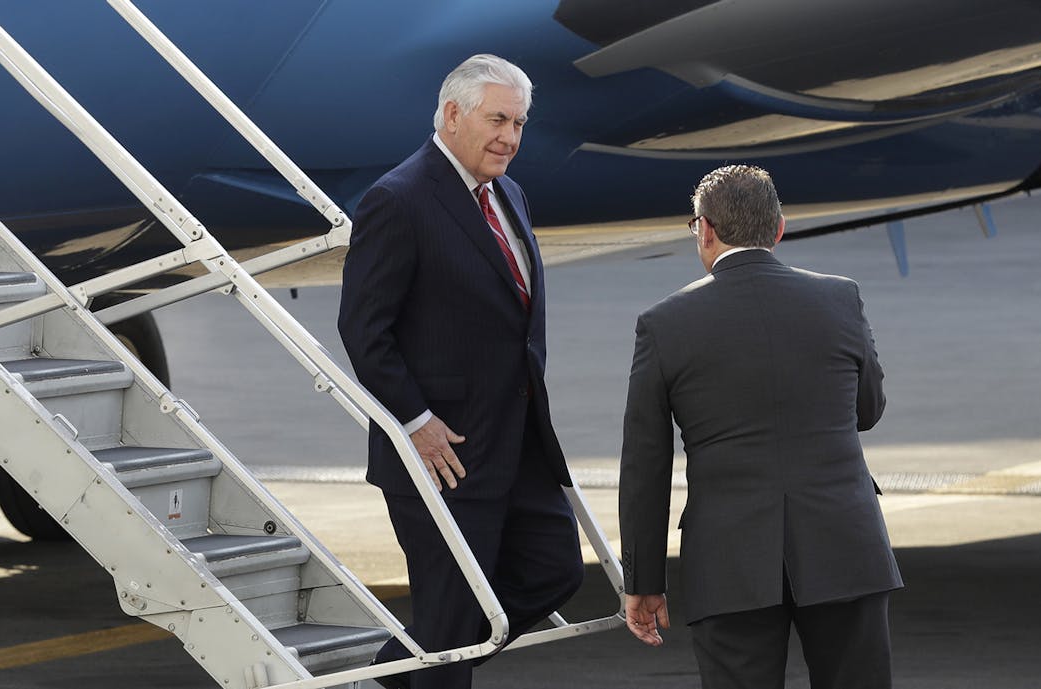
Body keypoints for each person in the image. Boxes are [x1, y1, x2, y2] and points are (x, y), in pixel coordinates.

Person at [337, 54, 583, 689]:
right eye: (497, 119)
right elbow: (365, 331)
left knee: (555, 571)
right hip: (442, 454)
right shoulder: (399, 199)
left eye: (520, 123)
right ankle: (416, 667)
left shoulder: (510, 194)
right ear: (451, 114)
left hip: (517, 442)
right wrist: (413, 422)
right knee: (450, 631)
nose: (510, 137)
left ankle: (396, 672)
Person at [618, 164, 903, 689]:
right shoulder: (841, 298)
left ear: (703, 229)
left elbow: (645, 465)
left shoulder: (664, 323)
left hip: (729, 562)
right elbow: (868, 411)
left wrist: (643, 580)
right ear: (779, 229)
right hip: (845, 545)